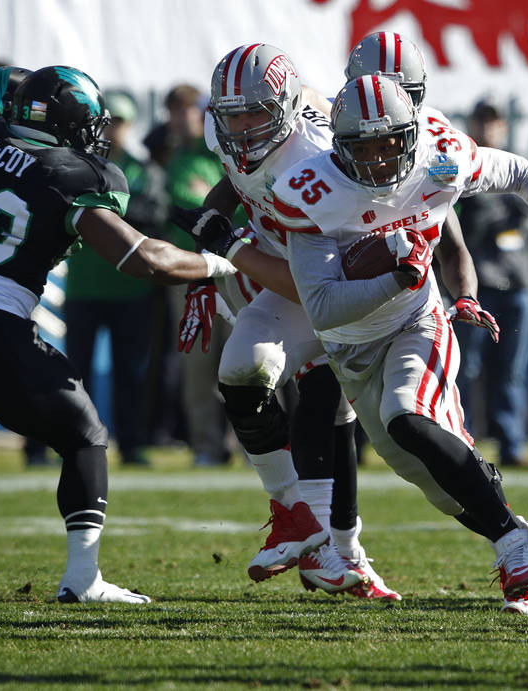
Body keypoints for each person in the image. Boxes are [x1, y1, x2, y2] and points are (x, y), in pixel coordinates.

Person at [0, 65, 239, 604]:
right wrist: (221, 263)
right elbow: (142, 257)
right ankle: (83, 579)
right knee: (84, 435)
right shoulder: (76, 173)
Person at [273, 73, 528, 616]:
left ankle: (515, 551)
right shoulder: (312, 191)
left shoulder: (439, 159)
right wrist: (396, 272)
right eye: (360, 147)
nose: (375, 159)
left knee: (407, 415)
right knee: (436, 482)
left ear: (409, 134)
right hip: (349, 346)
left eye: (387, 142)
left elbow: (518, 171)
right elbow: (321, 307)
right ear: (338, 146)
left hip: (418, 322)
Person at [178, 43, 388, 597]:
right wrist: (210, 239)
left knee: (355, 411)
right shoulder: (223, 128)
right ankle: (296, 515)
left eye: (255, 113)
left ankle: (346, 549)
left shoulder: (312, 159)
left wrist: (223, 251)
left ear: (290, 107)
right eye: (232, 115)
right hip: (282, 271)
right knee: (241, 372)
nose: (242, 128)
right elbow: (235, 175)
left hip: (344, 282)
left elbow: (308, 286)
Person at [63, 91, 163, 466]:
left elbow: (153, 215)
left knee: (130, 374)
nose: (114, 129)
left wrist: (97, 208)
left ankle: (132, 444)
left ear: (131, 125)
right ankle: (70, 439)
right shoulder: (81, 164)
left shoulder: (144, 169)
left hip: (129, 288)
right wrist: (119, 211)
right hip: (84, 286)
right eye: (109, 122)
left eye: (120, 122)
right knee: (74, 375)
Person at [452, 99, 528, 469]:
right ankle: (461, 441)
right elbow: (473, 221)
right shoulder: (457, 169)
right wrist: (497, 210)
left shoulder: (514, 166)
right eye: (481, 122)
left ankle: (511, 446)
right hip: (478, 286)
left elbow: (526, 210)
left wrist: (495, 211)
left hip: (518, 283)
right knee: (466, 368)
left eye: (494, 122)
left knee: (510, 372)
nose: (488, 130)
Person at [164, 84, 233, 467]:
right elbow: (188, 207)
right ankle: (207, 446)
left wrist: (207, 199)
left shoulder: (227, 154)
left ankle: (258, 444)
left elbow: (236, 212)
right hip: (193, 275)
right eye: (175, 111)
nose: (180, 118)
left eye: (187, 110)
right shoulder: (175, 159)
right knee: (198, 365)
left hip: (238, 272)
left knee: (250, 359)